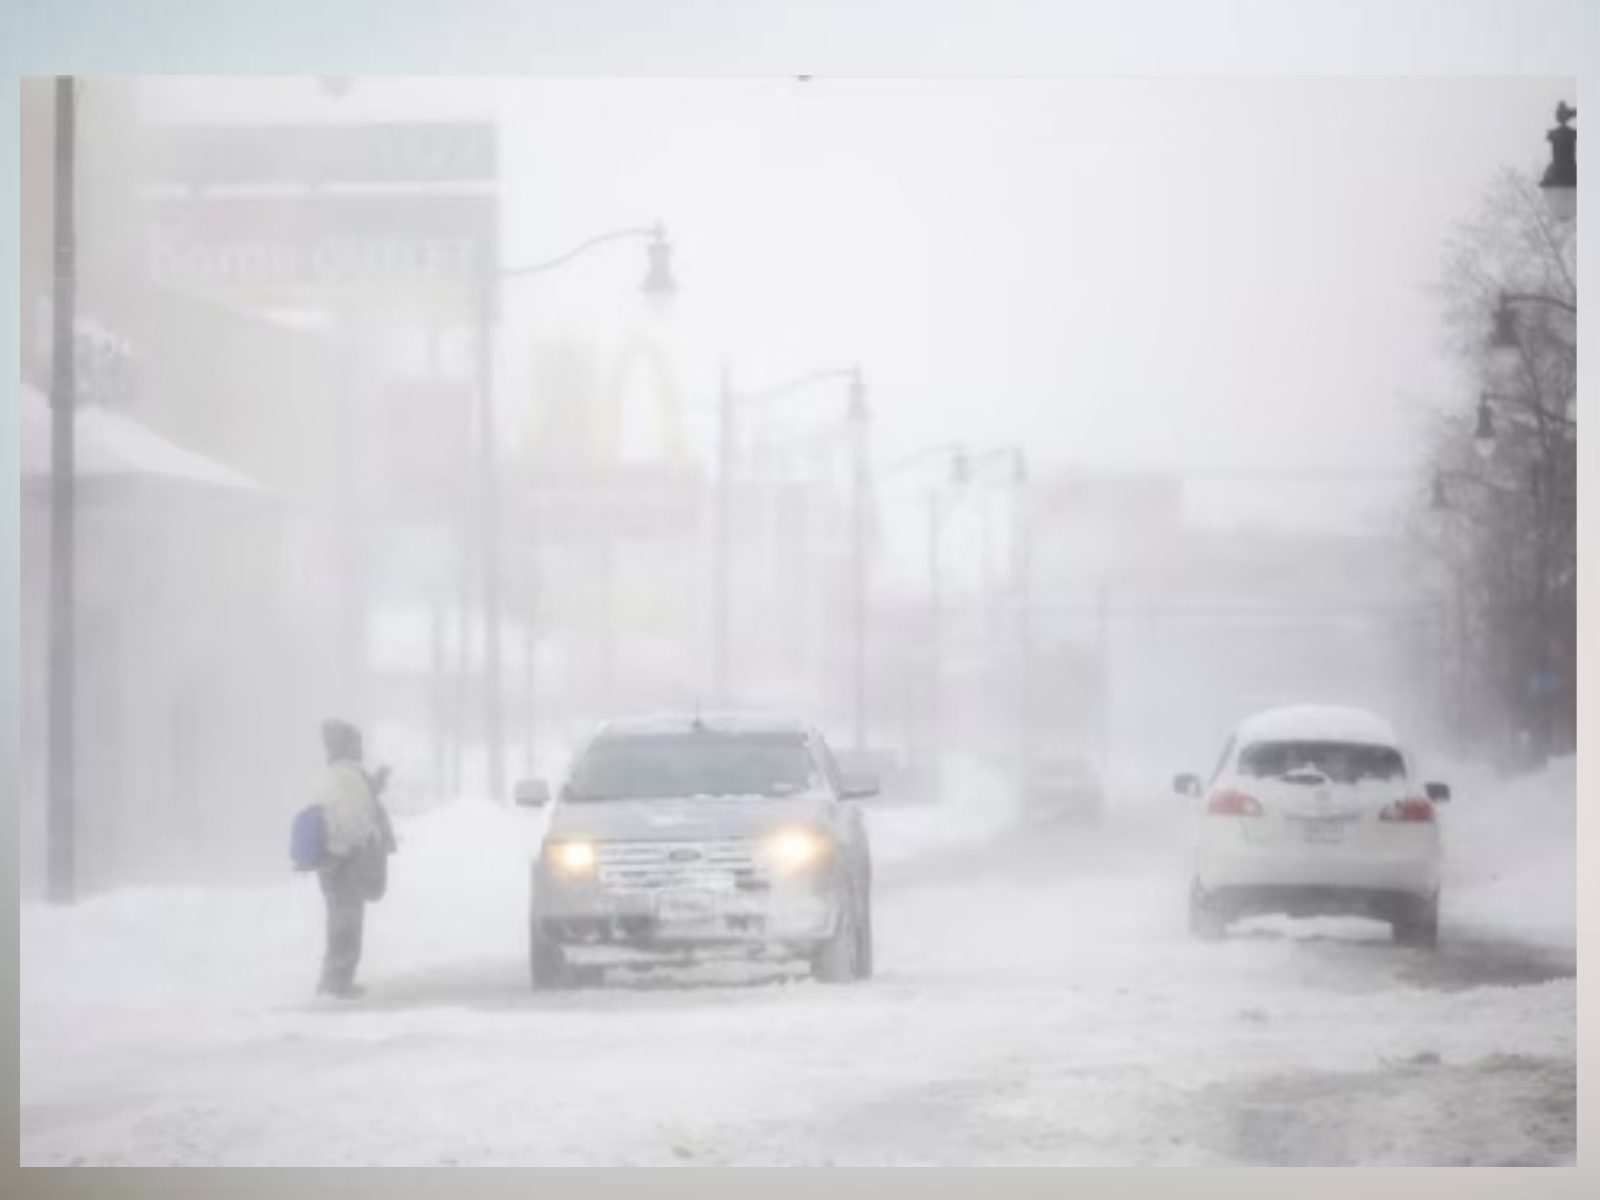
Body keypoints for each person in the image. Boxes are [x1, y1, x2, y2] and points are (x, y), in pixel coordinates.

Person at [314, 719, 392, 999]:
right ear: (347, 746)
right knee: (346, 921)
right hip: (345, 858)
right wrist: (357, 844)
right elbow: (349, 817)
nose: (362, 748)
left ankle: (338, 979)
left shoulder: (343, 774)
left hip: (339, 857)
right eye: (357, 743)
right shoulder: (346, 777)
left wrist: (377, 785)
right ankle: (336, 982)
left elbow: (362, 799)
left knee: (344, 919)